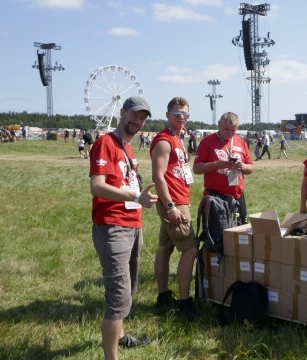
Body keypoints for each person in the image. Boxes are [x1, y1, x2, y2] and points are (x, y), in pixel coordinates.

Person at [89, 96, 158, 359]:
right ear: (122, 112)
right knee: (118, 297)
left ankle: (120, 336)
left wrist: (142, 199)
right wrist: (134, 198)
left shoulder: (127, 148)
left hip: (132, 225)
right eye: (134, 115)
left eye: (142, 118)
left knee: (128, 289)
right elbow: (97, 185)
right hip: (112, 227)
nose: (137, 122)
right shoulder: (105, 143)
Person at [150, 97, 199, 321]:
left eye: (185, 114)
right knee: (189, 250)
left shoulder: (178, 138)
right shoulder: (164, 140)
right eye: (177, 114)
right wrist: (170, 206)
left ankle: (163, 297)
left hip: (178, 199)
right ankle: (184, 302)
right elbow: (157, 176)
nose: (181, 118)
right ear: (167, 115)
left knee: (164, 248)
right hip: (174, 202)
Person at [193, 112, 254, 224]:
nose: (230, 133)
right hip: (215, 197)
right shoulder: (207, 141)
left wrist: (243, 166)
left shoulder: (241, 142)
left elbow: (250, 168)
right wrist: (217, 164)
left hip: (237, 196)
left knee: (240, 235)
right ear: (219, 124)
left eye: (233, 130)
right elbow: (196, 169)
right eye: (227, 129)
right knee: (218, 237)